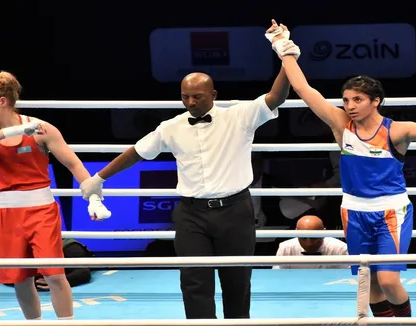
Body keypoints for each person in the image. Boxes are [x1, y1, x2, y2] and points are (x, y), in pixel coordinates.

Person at [79, 22, 292, 320]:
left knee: (237, 282)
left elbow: (277, 97)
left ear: (213, 94)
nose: (191, 102)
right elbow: (137, 152)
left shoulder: (240, 116)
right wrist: (99, 178)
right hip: (192, 214)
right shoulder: (172, 126)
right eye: (186, 97)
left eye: (198, 96)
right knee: (193, 282)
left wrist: (286, 55)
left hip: (235, 211)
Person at [268, 20, 416, 318]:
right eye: (346, 100)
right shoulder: (341, 124)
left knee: (389, 279)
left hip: (391, 212)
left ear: (375, 101)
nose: (350, 105)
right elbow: (303, 88)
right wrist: (283, 47)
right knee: (370, 284)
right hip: (353, 212)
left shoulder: (397, 131)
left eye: (358, 99)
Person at [0, 71, 103, 321]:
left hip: (41, 211)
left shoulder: (41, 128)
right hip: (3, 214)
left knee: (55, 274)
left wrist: (93, 198)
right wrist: (12, 131)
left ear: (3, 101)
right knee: (20, 278)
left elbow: (73, 163)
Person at [273, 215, 348, 269]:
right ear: (296, 233)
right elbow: (277, 278)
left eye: (314, 238)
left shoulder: (340, 249)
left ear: (324, 233)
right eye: (304, 238)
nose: (309, 243)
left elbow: (349, 279)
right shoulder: (286, 248)